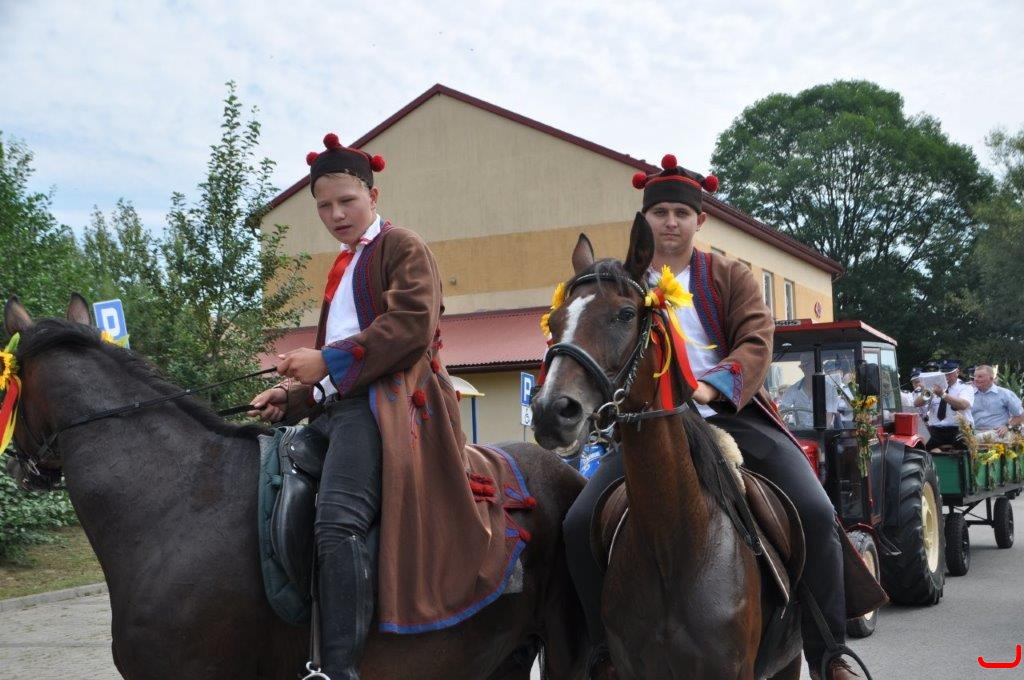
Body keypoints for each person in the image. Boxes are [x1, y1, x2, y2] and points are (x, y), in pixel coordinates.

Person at [561, 154, 874, 680]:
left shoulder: (730, 275)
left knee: (816, 512)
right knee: (576, 524)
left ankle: (830, 654)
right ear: (645, 220)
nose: (670, 222)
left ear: (699, 219)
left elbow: (756, 339)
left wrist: (710, 386)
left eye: (681, 213)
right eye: (659, 212)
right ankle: (602, 651)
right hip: (649, 427)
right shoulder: (625, 284)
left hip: (731, 418)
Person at [248, 134, 512, 678]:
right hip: (343, 408)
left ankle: (338, 670)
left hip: (390, 409)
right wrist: (294, 397)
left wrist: (324, 359)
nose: (336, 214)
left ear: (373, 195)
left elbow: (411, 328)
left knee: (337, 521)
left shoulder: (402, 245)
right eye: (324, 206)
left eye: (347, 201)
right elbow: (338, 371)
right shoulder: (344, 265)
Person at [915, 358, 974, 450]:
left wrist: (942, 394)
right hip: (936, 429)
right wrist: (928, 391)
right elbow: (917, 403)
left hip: (958, 428)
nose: (946, 376)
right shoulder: (935, 386)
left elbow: (963, 405)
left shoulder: (965, 387)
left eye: (949, 374)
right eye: (943, 374)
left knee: (962, 443)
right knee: (919, 443)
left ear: (957, 372)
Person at [777, 353, 842, 428]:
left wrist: (819, 433)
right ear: (803, 368)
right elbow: (781, 412)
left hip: (822, 431)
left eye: (819, 366)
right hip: (800, 432)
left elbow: (828, 420)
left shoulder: (830, 390)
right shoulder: (793, 390)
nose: (817, 370)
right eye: (813, 366)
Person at [972, 365, 1024, 440]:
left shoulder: (1004, 394)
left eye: (980, 376)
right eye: (975, 376)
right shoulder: (969, 394)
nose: (976, 379)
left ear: (991, 378)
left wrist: (1007, 426)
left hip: (997, 433)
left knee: (979, 438)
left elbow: (1020, 415)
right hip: (974, 432)